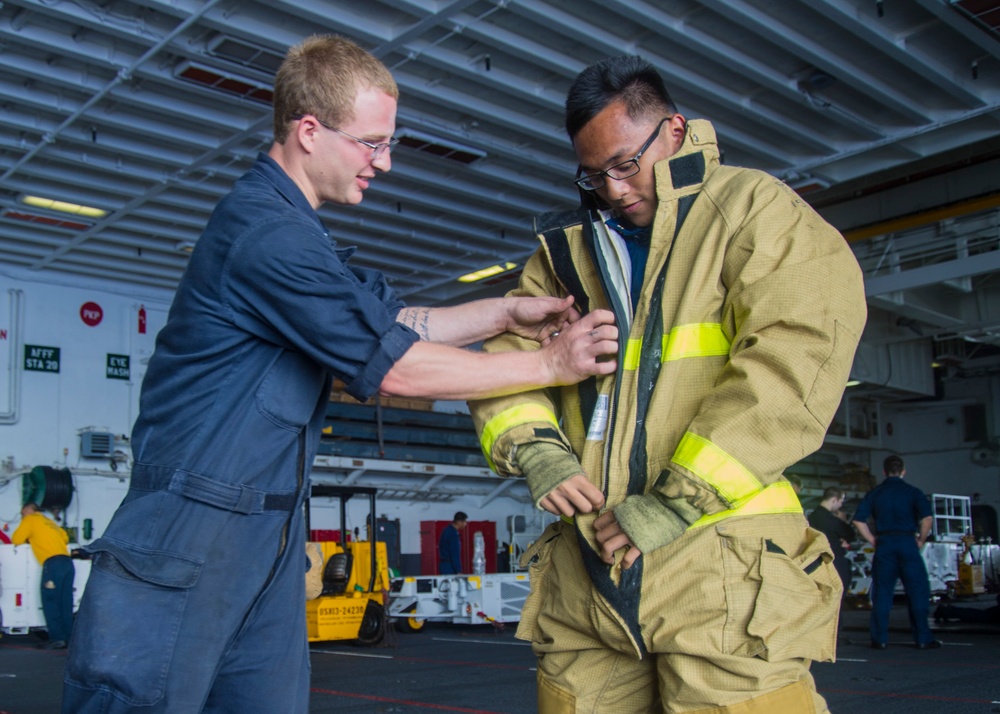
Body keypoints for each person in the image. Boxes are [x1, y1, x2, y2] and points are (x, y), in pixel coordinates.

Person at [61, 35, 618, 714]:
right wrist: (551, 364)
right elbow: (397, 370)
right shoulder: (269, 237)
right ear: (308, 130)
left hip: (267, 536)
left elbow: (397, 324)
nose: (384, 163)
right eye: (371, 143)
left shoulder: (298, 237)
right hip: (189, 529)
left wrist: (505, 313)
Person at [469, 55, 867, 713]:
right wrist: (536, 447)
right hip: (588, 574)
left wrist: (680, 498)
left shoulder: (753, 211)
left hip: (721, 572)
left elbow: (796, 362)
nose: (615, 189)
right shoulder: (563, 256)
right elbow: (504, 366)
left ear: (675, 131)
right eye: (594, 175)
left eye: (626, 164)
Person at [853, 454, 940, 650]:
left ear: (884, 472)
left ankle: (880, 639)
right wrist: (920, 540)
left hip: (884, 543)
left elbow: (859, 521)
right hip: (907, 541)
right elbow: (927, 519)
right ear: (903, 471)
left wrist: (873, 539)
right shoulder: (913, 492)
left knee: (882, 592)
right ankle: (923, 639)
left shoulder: (875, 493)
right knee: (917, 591)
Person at [11, 503, 75, 650]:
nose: (22, 516)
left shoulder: (31, 519)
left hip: (53, 565)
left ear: (28, 510)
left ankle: (57, 638)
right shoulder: (50, 522)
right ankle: (69, 639)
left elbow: (17, 539)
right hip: (67, 563)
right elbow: (65, 538)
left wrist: (29, 538)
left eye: (22, 513)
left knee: (51, 601)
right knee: (65, 603)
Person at [808, 487, 857, 597]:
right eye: (840, 502)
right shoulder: (833, 520)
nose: (840, 505)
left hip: (815, 562)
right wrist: (843, 520)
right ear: (834, 500)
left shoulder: (811, 517)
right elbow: (850, 534)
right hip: (835, 561)